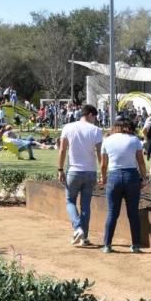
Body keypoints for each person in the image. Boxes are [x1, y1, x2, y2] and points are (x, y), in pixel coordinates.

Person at [100, 117, 147, 253]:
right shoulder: (134, 140)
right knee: (133, 213)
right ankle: (136, 245)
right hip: (131, 176)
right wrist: (144, 178)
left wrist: (103, 177)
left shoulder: (107, 140)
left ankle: (107, 245)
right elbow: (141, 161)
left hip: (114, 176)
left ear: (115, 127)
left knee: (112, 213)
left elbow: (103, 165)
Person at [58, 104, 103, 246]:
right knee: (85, 205)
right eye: (95, 117)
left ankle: (78, 228)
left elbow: (62, 150)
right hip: (90, 171)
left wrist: (60, 169)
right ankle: (84, 237)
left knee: (70, 201)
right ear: (90, 115)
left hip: (74, 170)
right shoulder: (96, 130)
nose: (95, 120)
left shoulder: (68, 127)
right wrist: (103, 172)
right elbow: (100, 153)